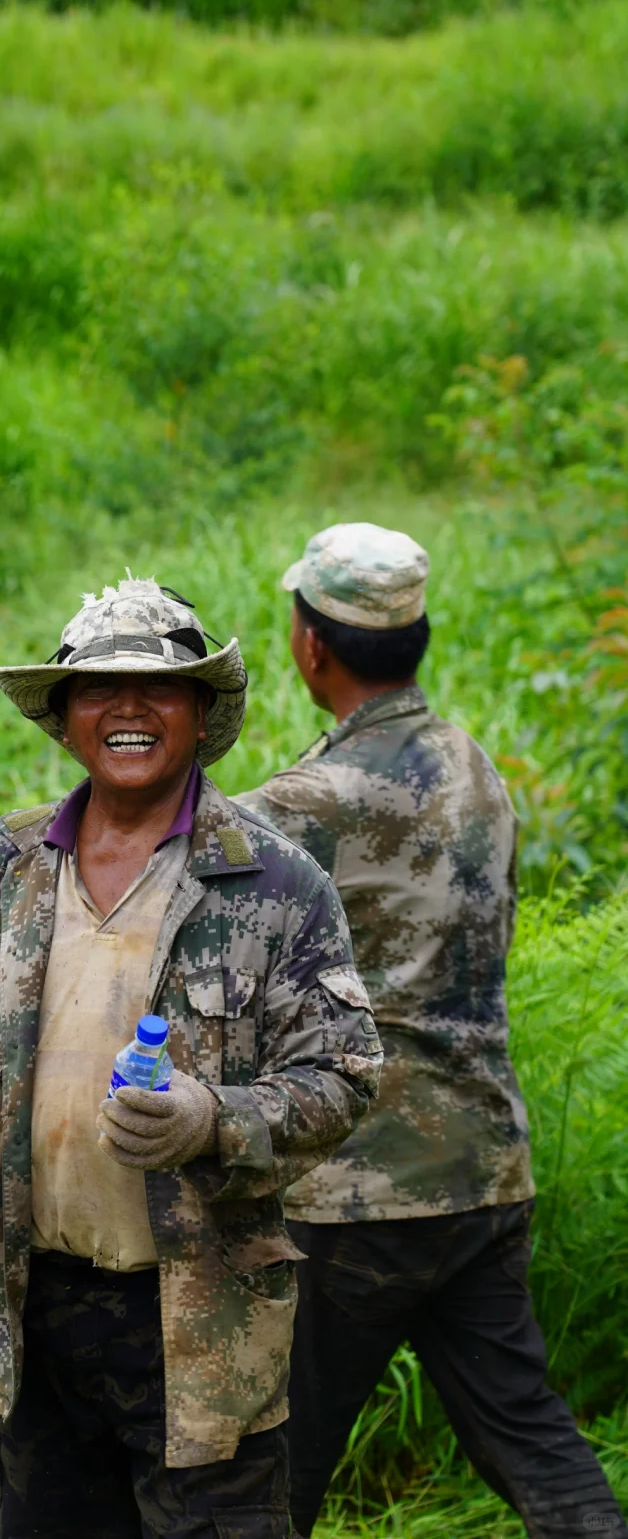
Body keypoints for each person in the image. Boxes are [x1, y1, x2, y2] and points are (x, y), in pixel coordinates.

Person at [0, 576, 383, 1539]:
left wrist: (208, 1118)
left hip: (201, 1326)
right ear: (63, 717)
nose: (127, 709)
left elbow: (344, 1077)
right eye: (96, 687)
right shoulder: (0, 865)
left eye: (159, 689)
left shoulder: (273, 880)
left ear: (199, 711)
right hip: (33, 1311)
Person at [236, 522, 627, 1539]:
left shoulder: (303, 800)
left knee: (271, 1464)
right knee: (531, 1438)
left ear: (309, 644)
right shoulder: (476, 768)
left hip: (357, 1192)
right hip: (485, 1174)